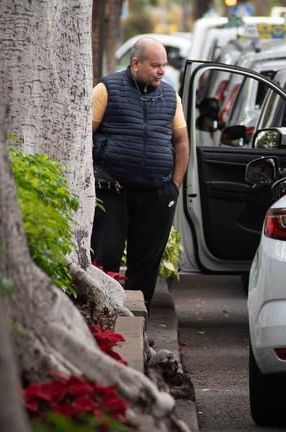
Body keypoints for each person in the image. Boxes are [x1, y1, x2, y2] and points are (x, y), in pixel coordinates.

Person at [91, 37, 189, 304]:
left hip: (156, 194)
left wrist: (174, 186)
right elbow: (83, 136)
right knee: (104, 259)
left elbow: (181, 142)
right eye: (156, 65)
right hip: (113, 191)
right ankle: (103, 319)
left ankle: (138, 321)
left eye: (164, 65)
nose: (162, 71)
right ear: (135, 63)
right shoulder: (106, 89)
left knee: (146, 267)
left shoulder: (170, 96)